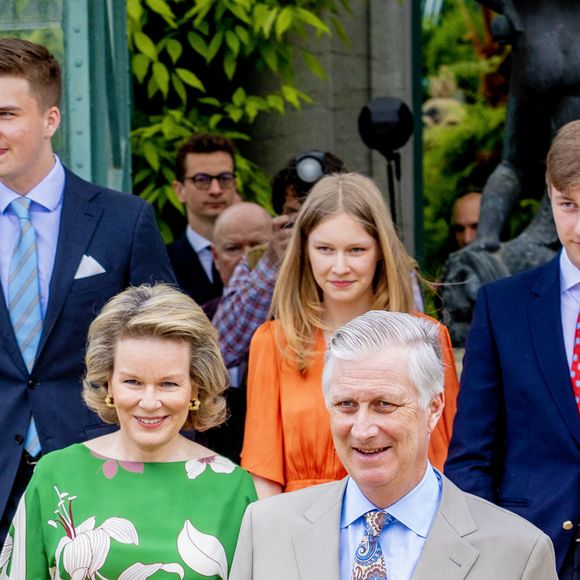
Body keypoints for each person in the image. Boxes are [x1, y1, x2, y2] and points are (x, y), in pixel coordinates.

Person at [0, 38, 175, 542]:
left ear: (51, 119)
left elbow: (173, 349)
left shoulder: (124, 220)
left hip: (103, 469)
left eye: (7, 113)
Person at [230, 311, 557, 580]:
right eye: (345, 405)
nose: (362, 430)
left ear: (434, 408)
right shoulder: (266, 528)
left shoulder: (519, 553)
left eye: (384, 404)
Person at [0, 284, 256, 579]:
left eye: (168, 383)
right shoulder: (55, 474)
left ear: (195, 387)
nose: (149, 402)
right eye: (132, 382)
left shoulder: (233, 488)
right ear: (108, 383)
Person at [241, 173, 459, 499]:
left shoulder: (426, 336)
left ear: (380, 251)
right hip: (302, 526)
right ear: (304, 250)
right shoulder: (273, 341)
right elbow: (264, 477)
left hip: (402, 520)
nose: (340, 267)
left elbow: (445, 458)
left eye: (356, 250)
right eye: (325, 249)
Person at [445, 120, 580, 578]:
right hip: (529, 551)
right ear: (549, 195)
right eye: (567, 205)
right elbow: (470, 454)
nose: (578, 226)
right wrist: (492, 553)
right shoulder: (502, 306)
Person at [213, 150, 346, 369]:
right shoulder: (258, 260)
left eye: (316, 215)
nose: (307, 226)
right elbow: (221, 349)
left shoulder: (370, 256)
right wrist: (273, 262)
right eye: (295, 214)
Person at [201, 202, 273, 463]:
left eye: (258, 247)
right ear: (216, 259)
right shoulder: (203, 317)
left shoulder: (294, 319)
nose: (246, 260)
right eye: (233, 249)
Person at [167, 133, 238, 305]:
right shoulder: (162, 261)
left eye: (224, 178)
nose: (215, 190)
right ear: (179, 190)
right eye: (202, 180)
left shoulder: (260, 257)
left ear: (235, 184)